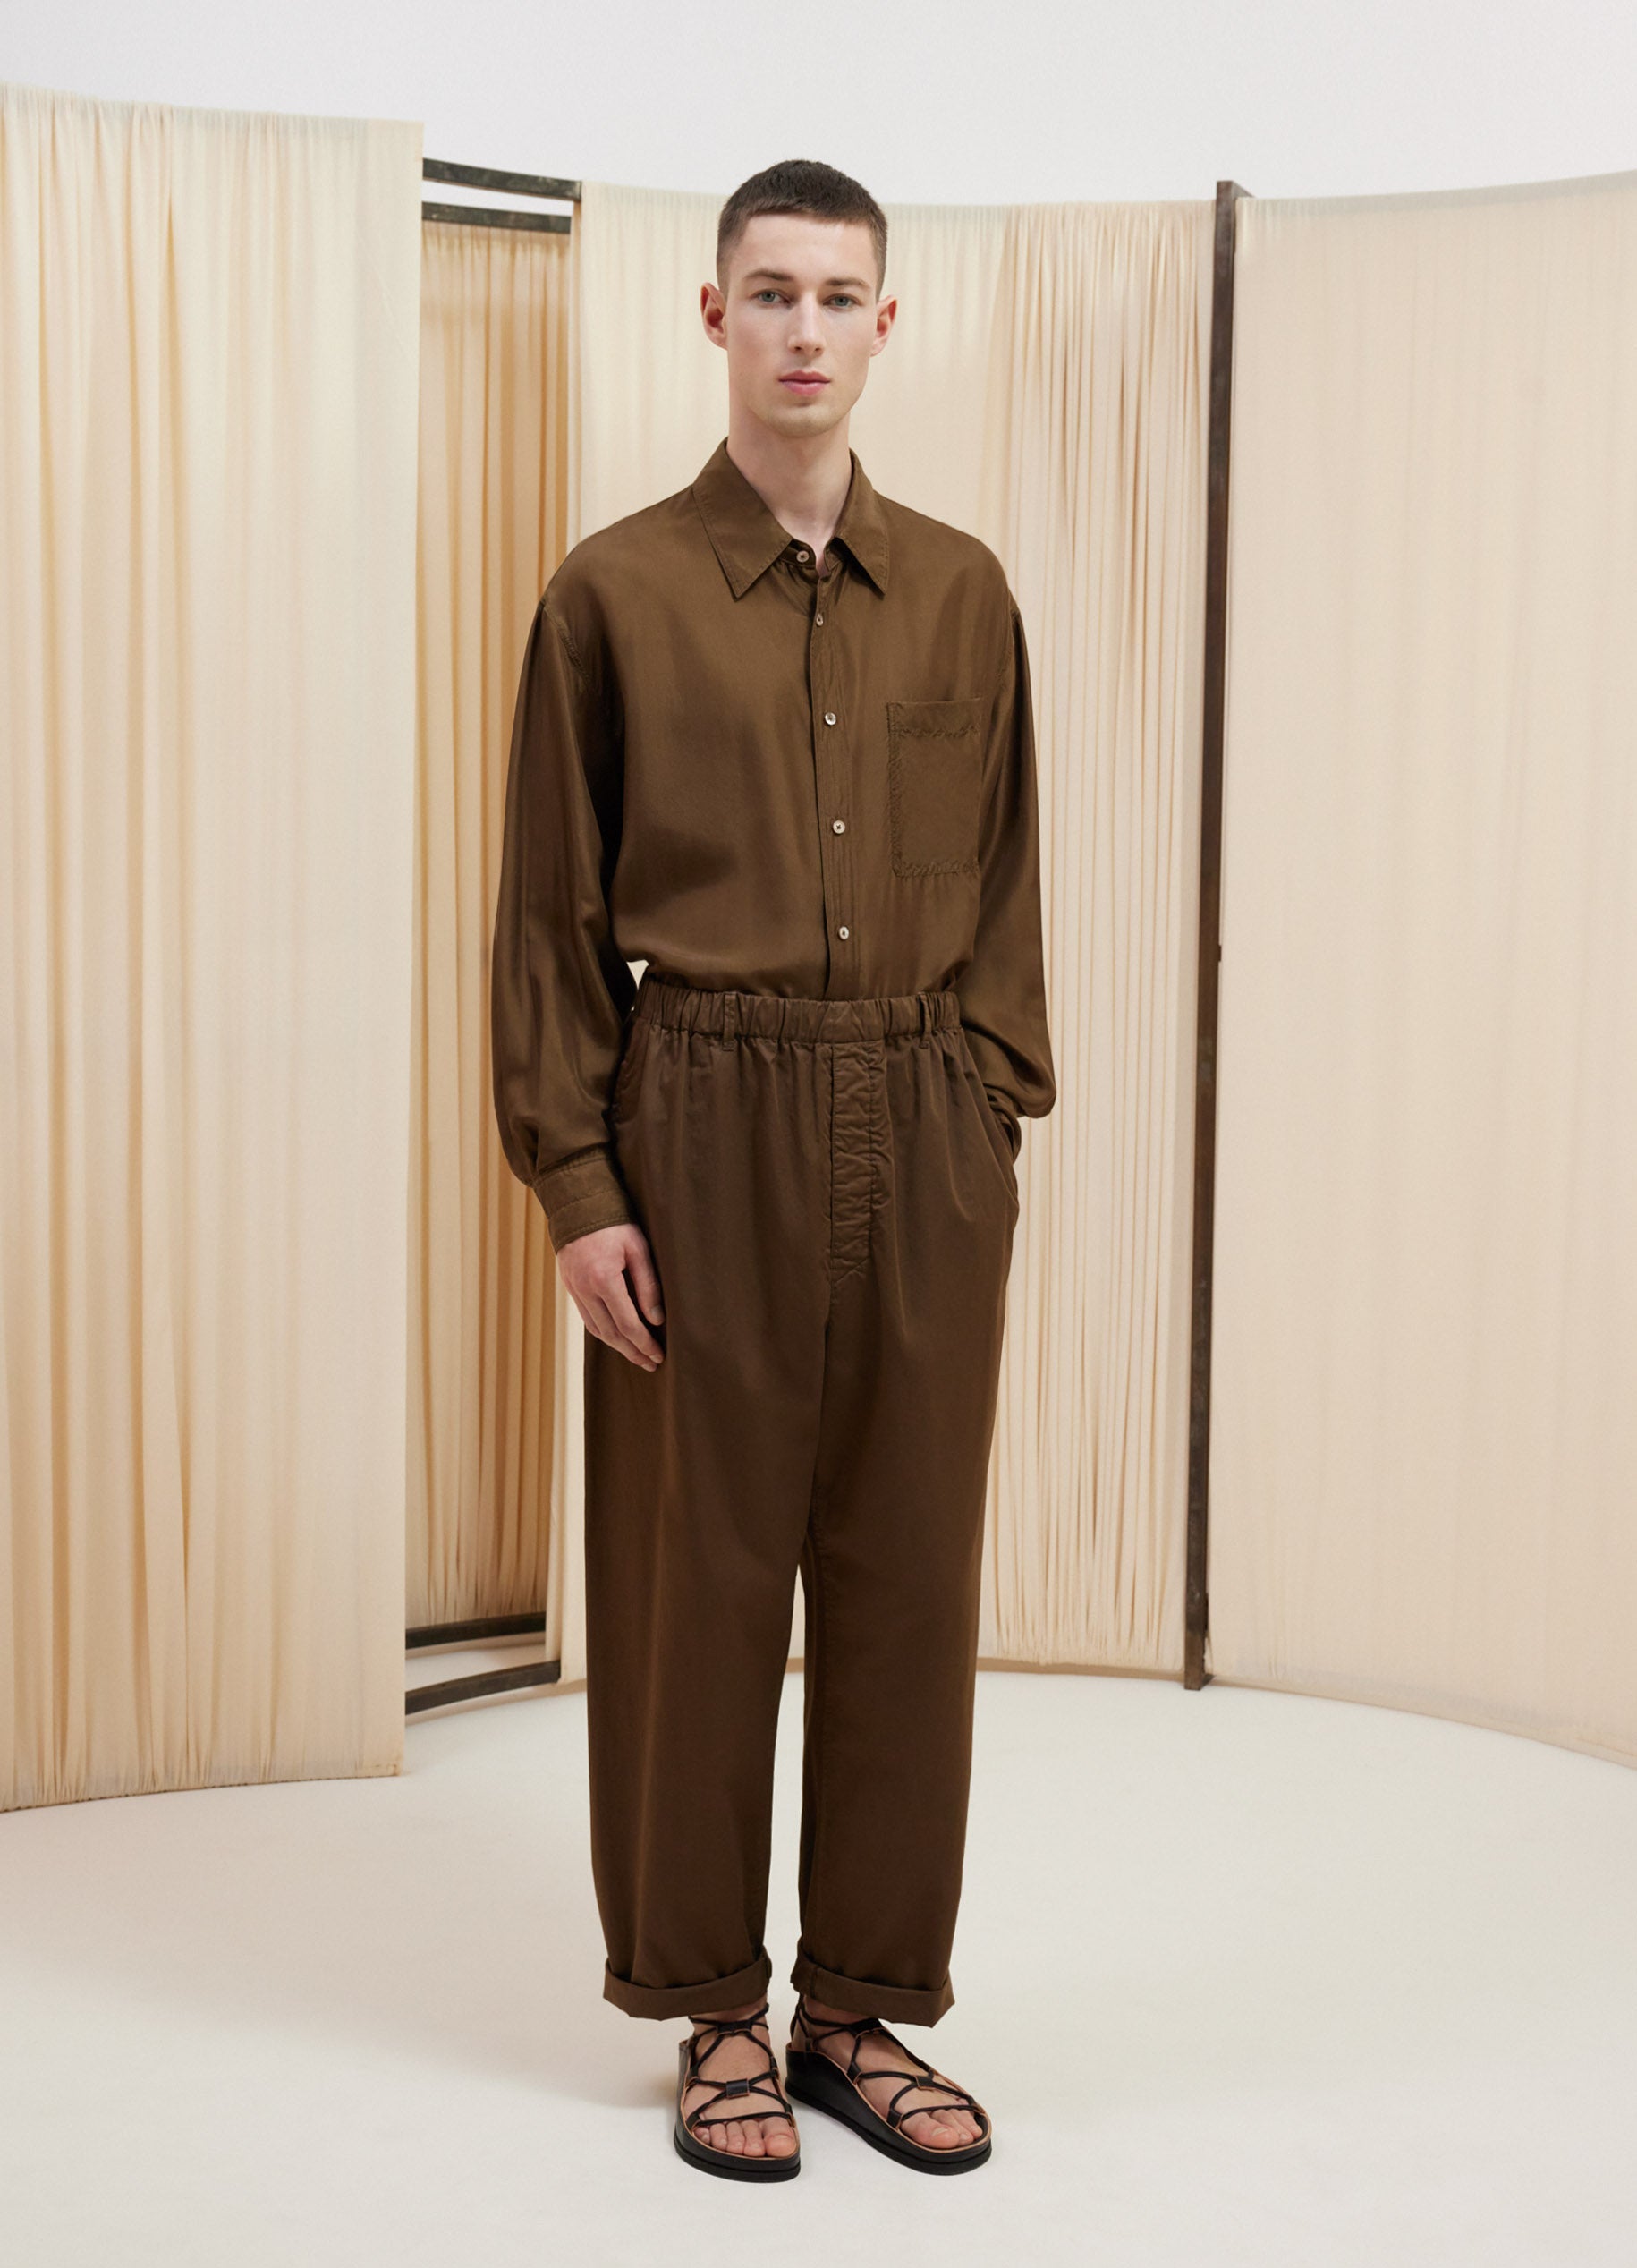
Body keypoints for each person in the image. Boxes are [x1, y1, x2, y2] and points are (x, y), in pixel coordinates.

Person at [490, 157, 1056, 2182]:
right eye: (771, 292)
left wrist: (986, 1112)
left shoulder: (964, 592)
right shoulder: (612, 593)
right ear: (713, 312)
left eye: (838, 296)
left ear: (884, 325)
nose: (804, 328)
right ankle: (712, 2007)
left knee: (903, 1583)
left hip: (920, 1123)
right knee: (694, 1587)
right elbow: (550, 913)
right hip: (700, 1121)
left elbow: (1007, 882)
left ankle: (857, 2007)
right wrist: (580, 1183)